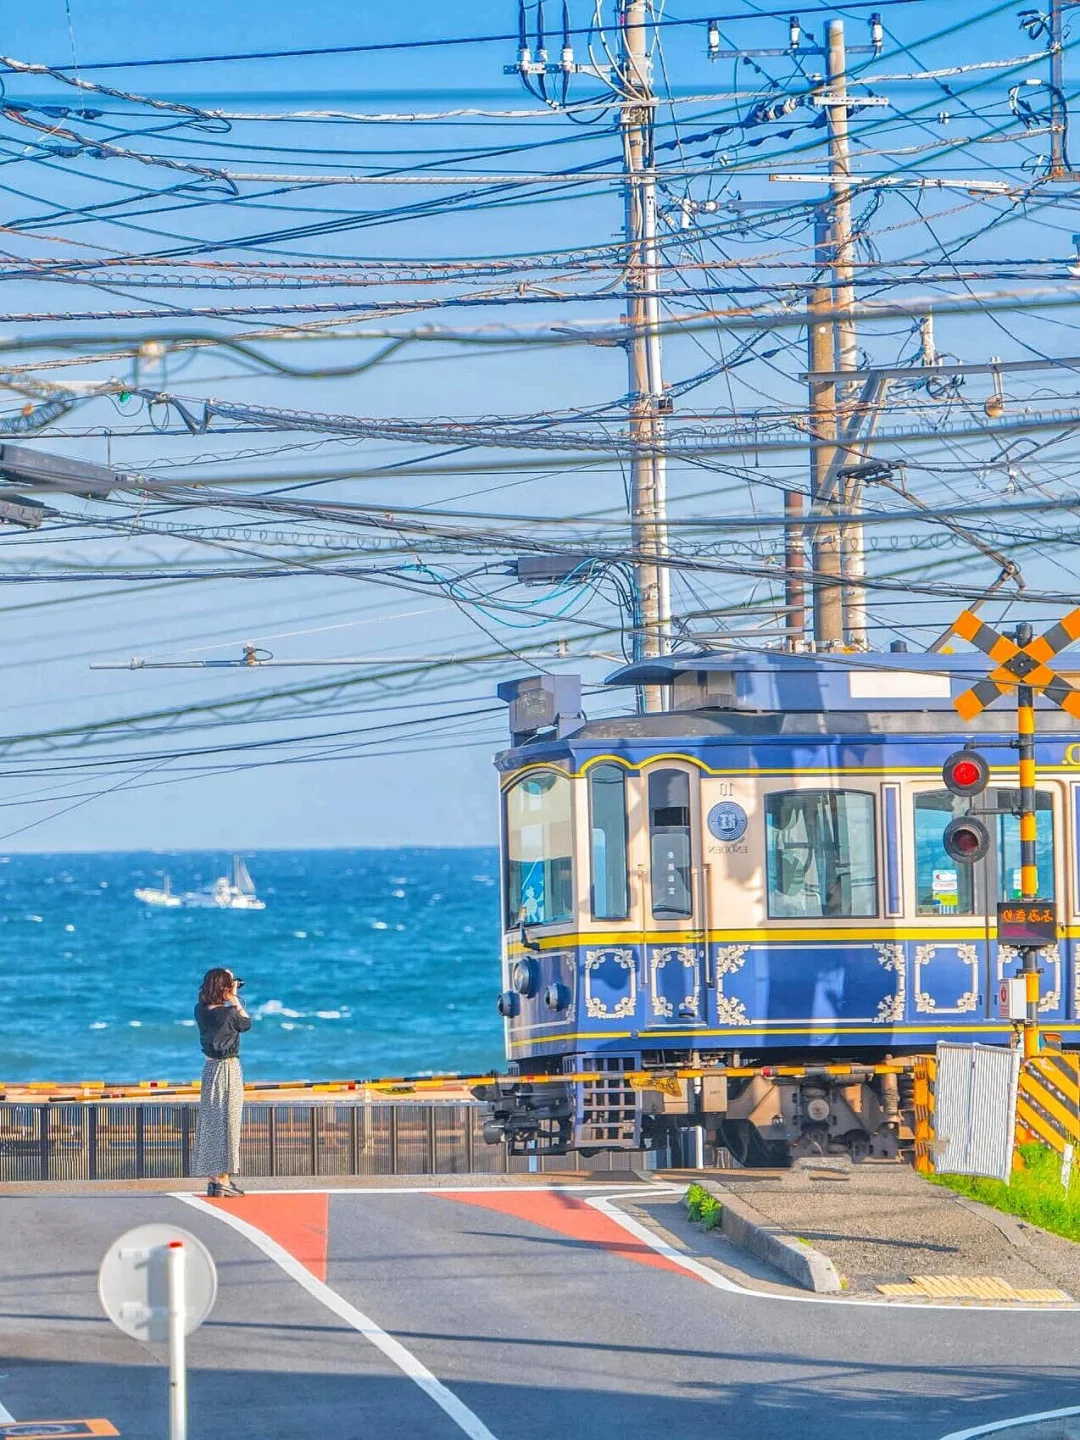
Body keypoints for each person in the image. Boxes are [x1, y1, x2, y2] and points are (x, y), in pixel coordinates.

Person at [193, 967, 250, 1198]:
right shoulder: (228, 1014)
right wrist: (234, 998)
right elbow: (246, 1024)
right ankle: (225, 1179)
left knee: (211, 1122)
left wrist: (226, 991)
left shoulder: (200, 1010)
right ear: (224, 987)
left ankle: (213, 1179)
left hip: (209, 1069)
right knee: (229, 1122)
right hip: (228, 1069)